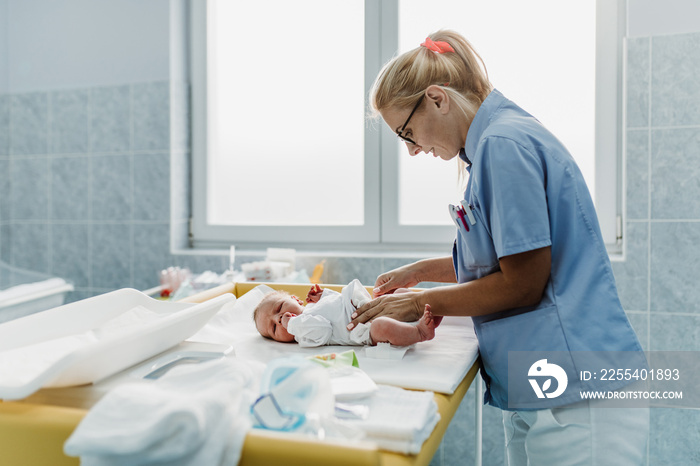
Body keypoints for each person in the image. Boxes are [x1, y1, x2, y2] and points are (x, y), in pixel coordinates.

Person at [349, 31, 649, 465]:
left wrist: (421, 302)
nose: (413, 151)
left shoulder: (503, 146)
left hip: (581, 393)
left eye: (408, 132)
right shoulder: (488, 147)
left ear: (437, 98)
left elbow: (524, 283)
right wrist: (419, 272)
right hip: (545, 387)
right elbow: (499, 260)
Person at [253, 279, 437, 348]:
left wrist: (323, 294)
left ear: (296, 299)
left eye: (279, 309)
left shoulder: (310, 308)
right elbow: (323, 329)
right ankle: (419, 333)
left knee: (399, 295)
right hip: (365, 330)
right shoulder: (303, 335)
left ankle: (425, 311)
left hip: (365, 307)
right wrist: (292, 325)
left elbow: (338, 301)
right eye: (274, 328)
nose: (279, 319)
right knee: (383, 326)